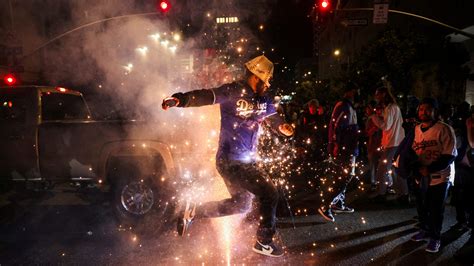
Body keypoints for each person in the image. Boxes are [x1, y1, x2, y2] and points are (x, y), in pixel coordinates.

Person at [162, 55, 294, 257]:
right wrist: (181, 99)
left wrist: (282, 127)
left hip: (248, 160)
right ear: (257, 77)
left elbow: (273, 118)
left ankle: (192, 211)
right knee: (270, 193)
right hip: (230, 160)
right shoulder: (234, 91)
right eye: (267, 80)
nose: (268, 84)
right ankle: (264, 242)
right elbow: (207, 96)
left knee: (242, 204)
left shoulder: (264, 100)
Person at [409, 97, 457, 253]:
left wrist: (430, 169)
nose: (424, 112)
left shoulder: (444, 129)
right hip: (422, 176)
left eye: (428, 109)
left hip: (441, 176)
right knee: (422, 206)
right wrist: (415, 169)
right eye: (421, 109)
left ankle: (435, 237)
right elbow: (415, 152)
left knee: (436, 209)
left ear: (435, 111)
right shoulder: (417, 129)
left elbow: (450, 155)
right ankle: (425, 230)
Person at [318, 83, 359, 222]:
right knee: (345, 176)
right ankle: (326, 205)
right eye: (354, 90)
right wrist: (334, 144)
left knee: (343, 175)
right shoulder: (343, 105)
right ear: (348, 92)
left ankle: (338, 203)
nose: (356, 93)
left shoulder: (350, 106)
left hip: (350, 147)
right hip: (344, 148)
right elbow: (335, 126)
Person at [370, 87, 407, 203]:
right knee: (396, 169)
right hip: (396, 142)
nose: (376, 97)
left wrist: (373, 117)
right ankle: (403, 194)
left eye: (378, 95)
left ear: (383, 95)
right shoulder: (392, 107)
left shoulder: (390, 108)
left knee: (382, 168)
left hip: (393, 143)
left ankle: (382, 193)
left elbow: (386, 126)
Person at [365, 101, 382, 192]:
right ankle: (373, 183)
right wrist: (373, 129)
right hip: (372, 145)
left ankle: (385, 183)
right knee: (373, 165)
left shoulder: (382, 119)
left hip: (382, 145)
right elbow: (367, 133)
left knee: (383, 165)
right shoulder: (370, 120)